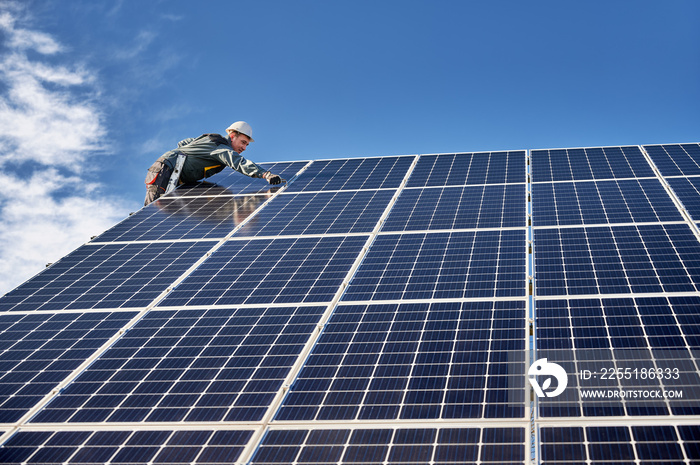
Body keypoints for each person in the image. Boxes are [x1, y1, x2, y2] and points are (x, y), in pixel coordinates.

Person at [144, 121, 282, 205]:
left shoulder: (212, 140)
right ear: (233, 136)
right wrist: (265, 174)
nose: (244, 148)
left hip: (171, 171)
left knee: (161, 212)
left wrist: (189, 153)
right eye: (243, 142)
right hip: (165, 170)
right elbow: (238, 162)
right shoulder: (221, 148)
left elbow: (184, 142)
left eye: (247, 145)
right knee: (151, 213)